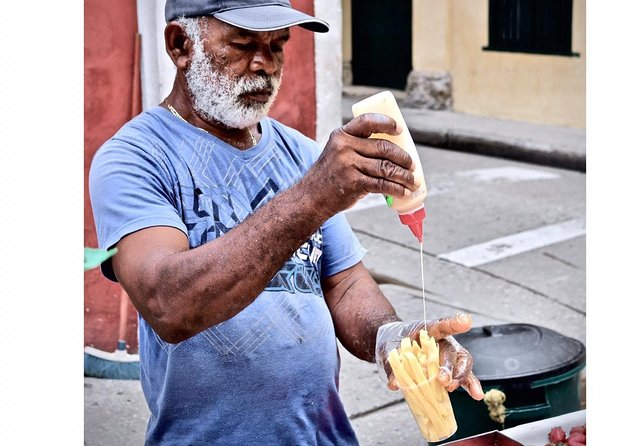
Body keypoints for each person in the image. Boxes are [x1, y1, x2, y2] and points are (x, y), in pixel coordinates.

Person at [88, 1, 484, 444]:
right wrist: (312, 197)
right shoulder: (134, 158)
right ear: (181, 46)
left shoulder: (300, 153)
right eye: (242, 45)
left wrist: (392, 338)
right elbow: (168, 305)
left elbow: (344, 284)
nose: (265, 66)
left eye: (277, 46)